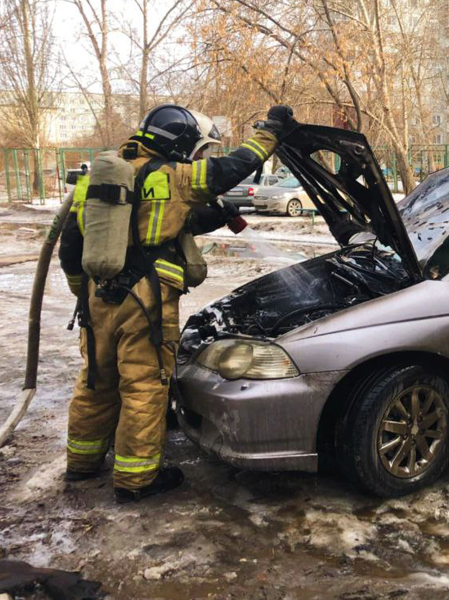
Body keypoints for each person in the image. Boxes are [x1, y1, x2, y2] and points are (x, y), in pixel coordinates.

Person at [58, 104, 293, 503]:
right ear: (181, 143)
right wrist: (271, 132)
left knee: (97, 380)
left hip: (98, 298)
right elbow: (235, 165)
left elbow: (71, 248)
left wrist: (85, 294)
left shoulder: (97, 180)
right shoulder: (176, 176)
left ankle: (82, 463)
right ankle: (136, 480)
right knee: (144, 385)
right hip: (144, 300)